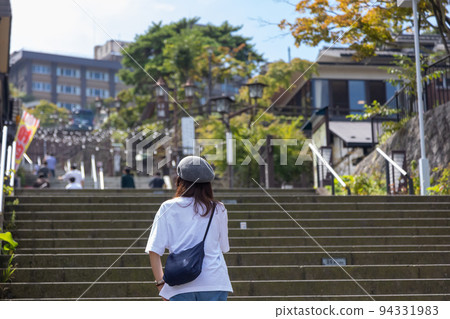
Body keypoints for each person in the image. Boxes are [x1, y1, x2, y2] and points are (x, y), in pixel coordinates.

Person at [145, 156, 232, 301]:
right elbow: (224, 247)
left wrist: (161, 284)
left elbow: (154, 250)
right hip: (215, 282)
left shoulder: (167, 207)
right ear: (208, 184)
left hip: (179, 285)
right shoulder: (219, 209)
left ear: (179, 181)